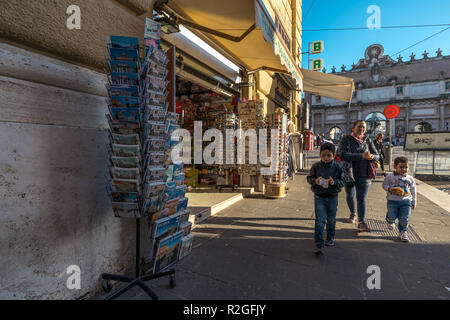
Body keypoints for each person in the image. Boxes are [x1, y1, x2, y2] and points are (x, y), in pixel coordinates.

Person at [337, 120, 379, 232]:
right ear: (353, 128)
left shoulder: (368, 140)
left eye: (364, 127)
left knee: (361, 198)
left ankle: (362, 222)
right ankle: (353, 213)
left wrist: (372, 157)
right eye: (359, 126)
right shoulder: (346, 139)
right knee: (350, 195)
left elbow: (377, 155)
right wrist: (361, 156)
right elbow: (341, 154)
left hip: (364, 173)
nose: (362, 129)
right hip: (348, 172)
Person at [307, 142, 345, 255]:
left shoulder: (338, 167)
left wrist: (334, 182)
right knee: (320, 220)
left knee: (331, 219)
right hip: (319, 197)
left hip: (333, 197)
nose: (326, 158)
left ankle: (330, 237)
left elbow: (343, 181)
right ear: (320, 155)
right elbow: (309, 178)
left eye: (329, 155)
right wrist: (316, 181)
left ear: (333, 155)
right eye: (323, 155)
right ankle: (319, 244)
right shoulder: (316, 166)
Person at [382, 156, 417, 242]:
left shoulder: (410, 178)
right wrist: (390, 189)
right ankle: (389, 220)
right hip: (392, 201)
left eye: (406, 167)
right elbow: (384, 185)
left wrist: (414, 202)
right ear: (395, 167)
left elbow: (413, 190)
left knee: (404, 218)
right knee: (392, 215)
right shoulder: (390, 176)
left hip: (406, 201)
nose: (404, 169)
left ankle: (403, 232)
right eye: (401, 167)